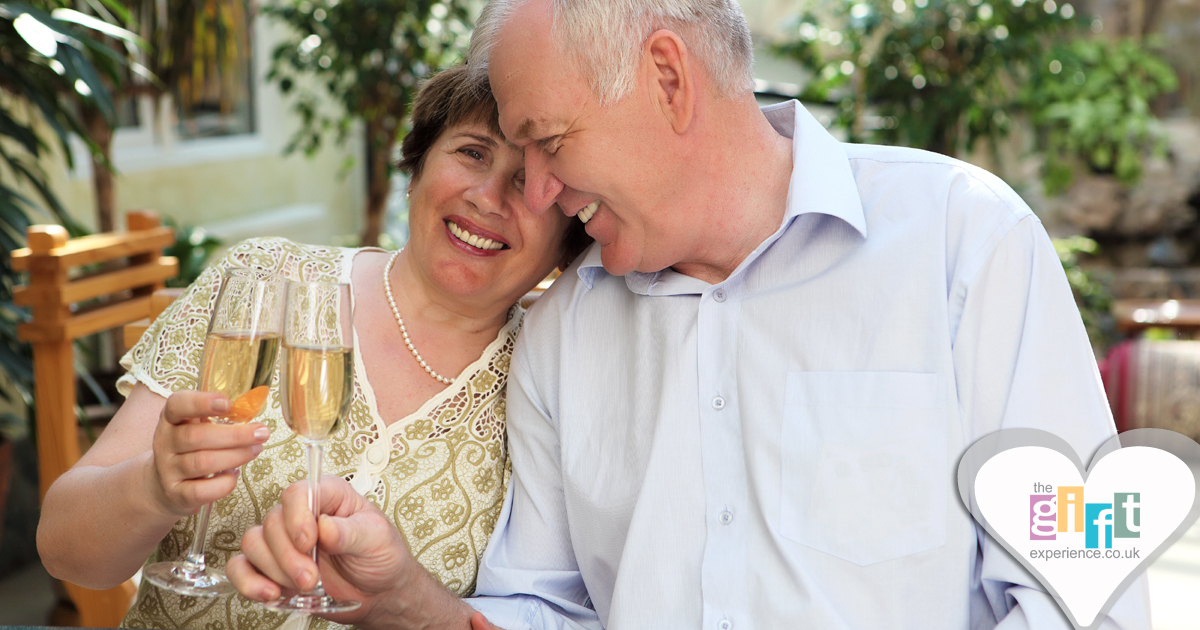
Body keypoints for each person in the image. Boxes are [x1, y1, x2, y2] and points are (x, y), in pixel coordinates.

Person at [229, 1, 1153, 628]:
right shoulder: (565, 332)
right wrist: (407, 602)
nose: (540, 192)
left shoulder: (963, 241)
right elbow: (549, 608)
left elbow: (1084, 588)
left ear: (668, 80)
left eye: (547, 143)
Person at [36, 63, 588, 630]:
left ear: (568, 237)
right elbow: (63, 550)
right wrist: (154, 485)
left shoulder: (554, 379)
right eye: (473, 152)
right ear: (417, 168)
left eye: (527, 181)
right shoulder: (263, 284)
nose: (487, 197)